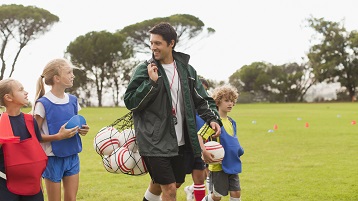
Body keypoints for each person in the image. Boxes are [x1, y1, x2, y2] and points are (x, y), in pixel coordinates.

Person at [124, 22, 222, 201]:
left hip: (181, 141)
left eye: (158, 43)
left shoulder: (187, 70)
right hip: (154, 140)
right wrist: (151, 84)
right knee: (169, 189)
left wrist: (213, 119)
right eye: (152, 43)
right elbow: (130, 102)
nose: (153, 47)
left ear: (171, 43)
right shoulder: (145, 69)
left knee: (172, 183)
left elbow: (203, 99)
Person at [33, 58, 90, 201]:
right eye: (69, 72)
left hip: (72, 156)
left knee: (71, 199)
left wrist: (82, 130)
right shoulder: (43, 104)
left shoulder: (73, 101)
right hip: (53, 159)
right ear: (57, 78)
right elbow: (34, 135)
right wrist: (58, 136)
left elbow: (74, 124)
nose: (73, 75)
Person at [0, 78, 48, 201]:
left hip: (32, 186)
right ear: (8, 97)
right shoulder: (1, 122)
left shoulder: (30, 121)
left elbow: (36, 154)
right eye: (21, 90)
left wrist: (39, 184)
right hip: (5, 184)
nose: (26, 92)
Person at [200, 85, 244, 201]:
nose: (230, 104)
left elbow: (233, 140)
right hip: (218, 167)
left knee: (236, 193)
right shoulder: (214, 121)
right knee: (217, 196)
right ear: (218, 102)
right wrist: (204, 151)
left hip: (232, 163)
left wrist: (238, 149)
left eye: (232, 101)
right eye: (226, 100)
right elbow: (199, 136)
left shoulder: (231, 122)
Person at [184, 78, 212, 201]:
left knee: (202, 176)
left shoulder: (205, 109)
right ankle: (190, 189)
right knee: (176, 182)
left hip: (200, 146)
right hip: (183, 147)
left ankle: (192, 190)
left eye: (204, 91)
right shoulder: (184, 105)